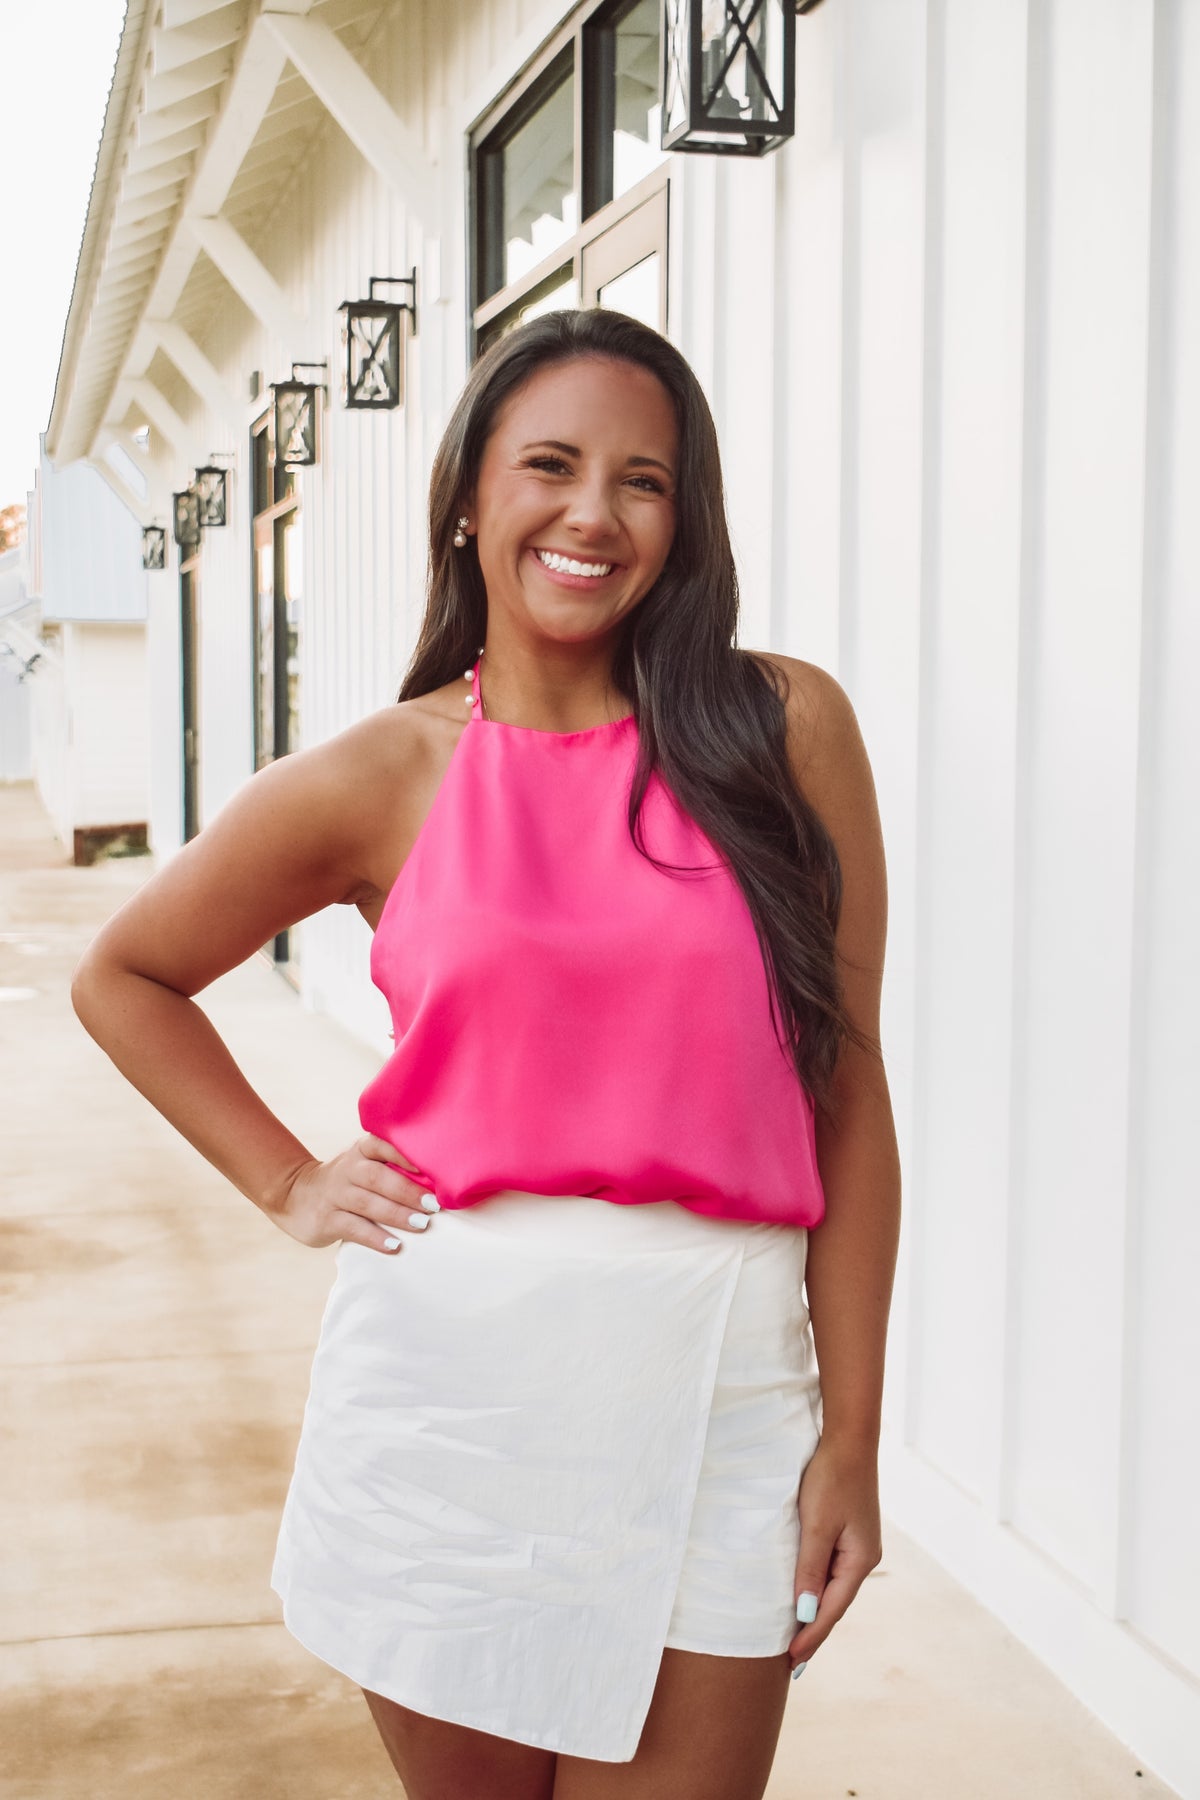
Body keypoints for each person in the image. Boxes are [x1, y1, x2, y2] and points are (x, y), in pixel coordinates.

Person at [72, 307, 901, 1800]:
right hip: (451, 1403)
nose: (593, 513)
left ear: (684, 518)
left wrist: (853, 1439)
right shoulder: (381, 775)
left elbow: (846, 1095)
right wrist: (287, 1183)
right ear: (469, 496)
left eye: (643, 480)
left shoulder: (784, 731)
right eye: (552, 465)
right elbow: (126, 974)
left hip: (723, 1391)